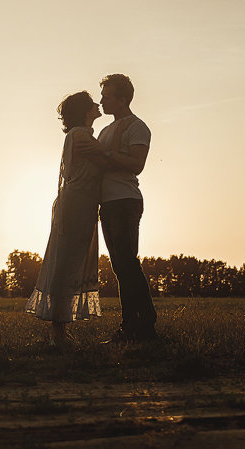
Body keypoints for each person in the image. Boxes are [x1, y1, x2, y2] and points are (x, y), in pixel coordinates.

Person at [25, 91, 103, 348]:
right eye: (92, 103)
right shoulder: (80, 135)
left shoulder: (80, 135)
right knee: (67, 263)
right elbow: (107, 159)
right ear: (83, 111)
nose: (97, 105)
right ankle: (57, 333)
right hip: (77, 204)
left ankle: (59, 331)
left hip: (81, 203)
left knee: (71, 262)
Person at [93, 73, 158, 342]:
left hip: (125, 200)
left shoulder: (137, 127)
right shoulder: (105, 131)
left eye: (107, 96)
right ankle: (130, 326)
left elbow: (136, 164)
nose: (101, 101)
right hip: (107, 202)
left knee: (128, 263)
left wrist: (105, 155)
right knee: (120, 266)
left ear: (122, 99)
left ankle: (145, 323)